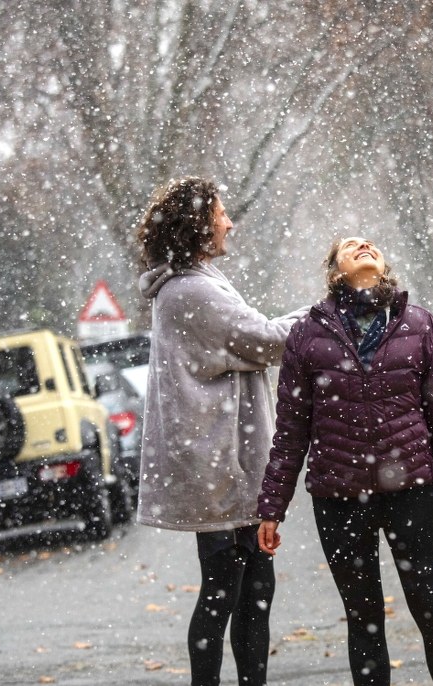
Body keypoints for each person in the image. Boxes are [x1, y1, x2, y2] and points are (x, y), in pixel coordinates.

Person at [256, 237, 433, 686]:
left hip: (413, 492)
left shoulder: (421, 326)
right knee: (363, 619)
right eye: (350, 245)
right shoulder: (307, 335)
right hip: (338, 499)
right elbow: (291, 431)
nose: (363, 245)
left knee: (432, 607)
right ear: (335, 269)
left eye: (370, 243)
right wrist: (271, 507)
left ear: (385, 266)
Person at [135, 176, 305, 686]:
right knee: (229, 589)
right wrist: (328, 309)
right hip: (218, 463)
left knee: (250, 587)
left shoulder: (191, 281)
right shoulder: (191, 290)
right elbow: (269, 339)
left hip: (220, 460)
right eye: (221, 213)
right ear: (199, 224)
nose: (229, 222)